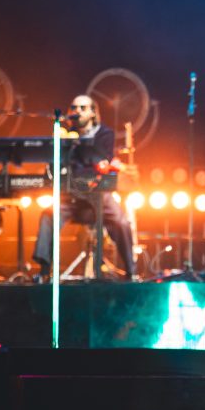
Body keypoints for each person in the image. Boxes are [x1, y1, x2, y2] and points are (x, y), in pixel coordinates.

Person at [33, 94, 136, 280]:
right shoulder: (64, 135)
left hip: (98, 194)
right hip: (71, 196)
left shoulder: (104, 134)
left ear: (93, 112)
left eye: (82, 108)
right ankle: (43, 270)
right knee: (48, 216)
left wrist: (77, 144)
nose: (77, 111)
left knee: (120, 221)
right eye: (74, 107)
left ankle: (131, 270)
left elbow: (99, 157)